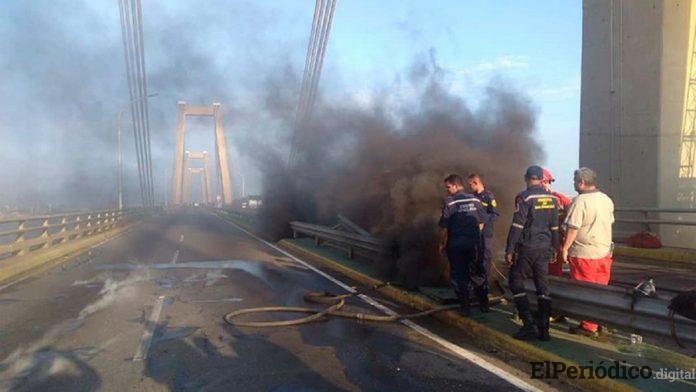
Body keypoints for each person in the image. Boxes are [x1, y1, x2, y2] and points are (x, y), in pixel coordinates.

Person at [505, 166, 560, 341]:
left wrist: (510, 249)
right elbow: (555, 227)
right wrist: (556, 247)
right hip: (545, 248)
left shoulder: (525, 197)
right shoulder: (552, 199)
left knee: (515, 281)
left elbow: (517, 225)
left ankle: (528, 325)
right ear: (542, 179)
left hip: (527, 248)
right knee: (543, 288)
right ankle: (544, 330)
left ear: (527, 178)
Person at [561, 167, 615, 336]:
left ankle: (588, 326)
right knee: (600, 290)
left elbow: (573, 227)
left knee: (584, 291)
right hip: (604, 252)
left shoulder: (580, 201)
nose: (573, 184)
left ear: (582, 182)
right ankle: (599, 322)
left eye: (575, 181)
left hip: (584, 254)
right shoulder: (606, 199)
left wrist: (565, 248)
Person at [438, 174, 487, 316]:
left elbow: (444, 227)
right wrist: (475, 236)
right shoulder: (475, 199)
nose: (447, 190)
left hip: (457, 244)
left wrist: (441, 243)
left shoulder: (450, 202)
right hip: (474, 244)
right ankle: (484, 304)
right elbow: (482, 221)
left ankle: (465, 307)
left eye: (448, 187)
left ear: (455, 185)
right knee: (477, 272)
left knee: (459, 275)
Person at [467, 173, 499, 309]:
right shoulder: (472, 198)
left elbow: (495, 214)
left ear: (476, 183)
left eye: (470, 185)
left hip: (486, 236)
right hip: (474, 236)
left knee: (484, 263)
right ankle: (475, 293)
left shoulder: (488, 196)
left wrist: (483, 222)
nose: (470, 187)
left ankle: (483, 299)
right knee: (473, 262)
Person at [541, 168, 572, 277]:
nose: (545, 185)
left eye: (546, 182)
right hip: (538, 241)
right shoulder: (527, 198)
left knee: (554, 269)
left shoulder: (560, 198)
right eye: (543, 182)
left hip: (554, 240)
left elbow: (572, 215)